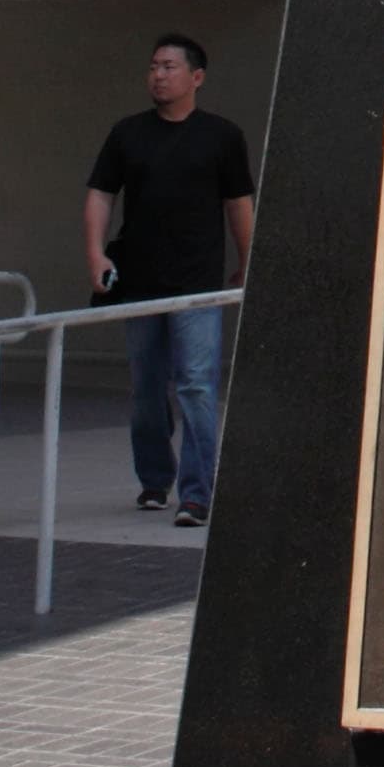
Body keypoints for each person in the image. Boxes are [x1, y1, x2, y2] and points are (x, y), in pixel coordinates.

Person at [84, 37, 254, 526]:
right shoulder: (127, 134)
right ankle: (155, 480)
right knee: (146, 388)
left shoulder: (222, 136)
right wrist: (95, 254)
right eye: (154, 66)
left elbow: (238, 205)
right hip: (139, 281)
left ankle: (197, 493)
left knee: (196, 386)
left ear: (196, 77)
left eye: (169, 66)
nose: (159, 75)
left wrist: (248, 261)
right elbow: (100, 194)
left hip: (197, 284)